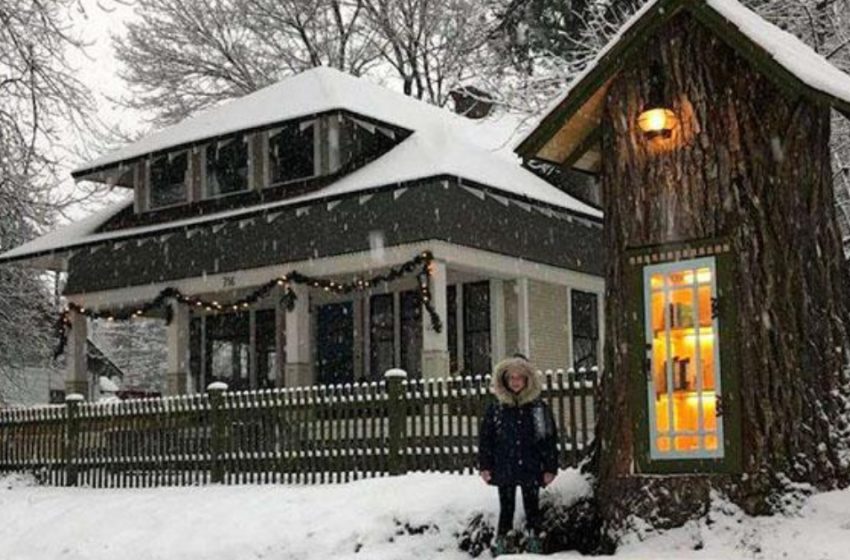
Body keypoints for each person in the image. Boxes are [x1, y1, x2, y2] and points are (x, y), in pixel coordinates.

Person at [478, 354, 558, 556]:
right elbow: (486, 439)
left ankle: (535, 541)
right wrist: (485, 466)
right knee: (506, 507)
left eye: (519, 378)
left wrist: (550, 468)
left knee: (532, 507)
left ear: (527, 380)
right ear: (504, 380)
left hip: (531, 467)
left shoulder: (538, 409)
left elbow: (548, 439)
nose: (515, 382)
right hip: (504, 466)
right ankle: (503, 541)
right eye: (511, 378)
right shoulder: (496, 409)